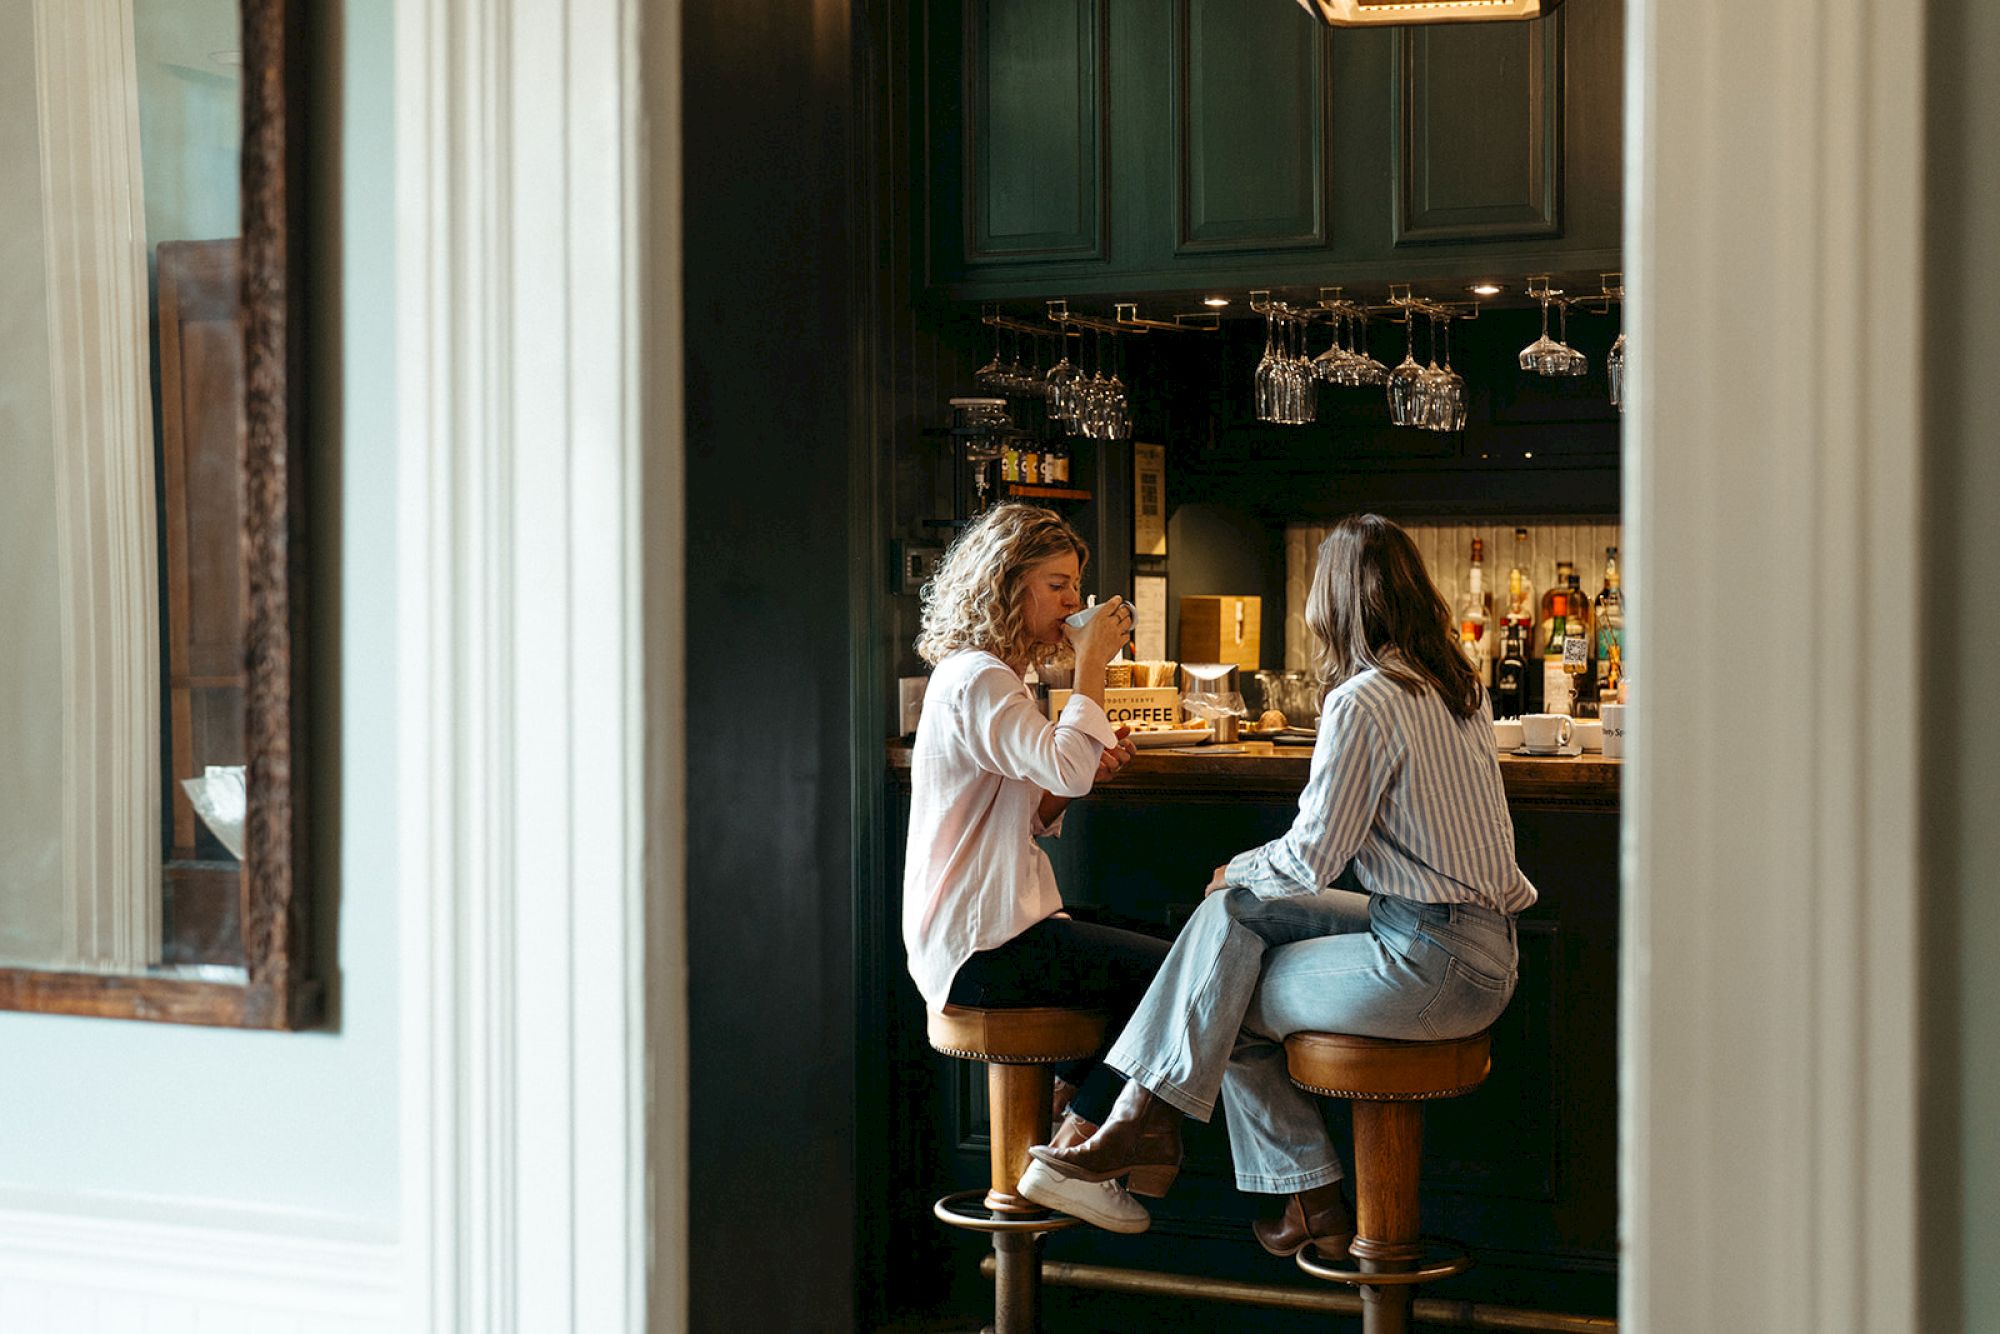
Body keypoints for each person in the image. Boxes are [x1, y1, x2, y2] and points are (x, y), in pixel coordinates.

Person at [1029, 513, 1536, 1258]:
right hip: (1472, 946)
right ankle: (1187, 1148)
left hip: (1430, 965)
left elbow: (1312, 859)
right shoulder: (1452, 682)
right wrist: (1238, 885)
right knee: (1227, 930)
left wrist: (1236, 868)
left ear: (1330, 604)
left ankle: (1171, 1139)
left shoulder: (1364, 699)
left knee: (1224, 976)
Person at [903, 502, 1171, 1233]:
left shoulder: (987, 678)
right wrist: (1092, 667)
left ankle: (1072, 1125)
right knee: (1171, 974)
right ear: (1005, 586)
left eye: (1074, 585)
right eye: (1057, 584)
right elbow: (1063, 761)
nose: (1072, 604)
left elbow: (1030, 800)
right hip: (983, 945)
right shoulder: (980, 679)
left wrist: (1074, 777)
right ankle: (1076, 1152)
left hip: (995, 931)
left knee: (1169, 953)